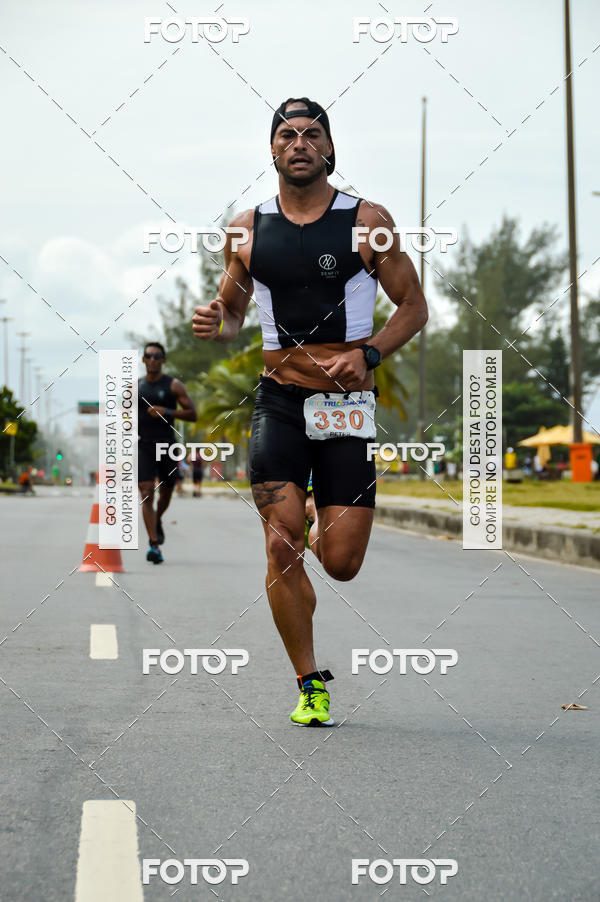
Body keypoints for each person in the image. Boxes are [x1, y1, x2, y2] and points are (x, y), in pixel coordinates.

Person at [192, 97, 427, 725]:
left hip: (345, 403)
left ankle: (317, 532)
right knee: (279, 546)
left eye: (312, 134)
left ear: (328, 150)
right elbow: (236, 308)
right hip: (279, 400)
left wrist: (370, 354)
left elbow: (413, 308)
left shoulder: (367, 220)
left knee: (343, 565)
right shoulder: (245, 229)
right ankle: (308, 684)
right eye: (287, 134)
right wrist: (220, 319)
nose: (299, 142)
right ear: (272, 150)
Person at [137, 342, 197, 564]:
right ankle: (154, 544)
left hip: (167, 444)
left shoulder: (173, 386)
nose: (152, 359)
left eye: (157, 356)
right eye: (149, 356)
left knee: (167, 490)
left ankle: (158, 518)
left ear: (163, 360)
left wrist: (168, 411)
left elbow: (193, 414)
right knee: (146, 491)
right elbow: (123, 416)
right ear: (143, 359)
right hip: (145, 445)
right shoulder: (136, 388)